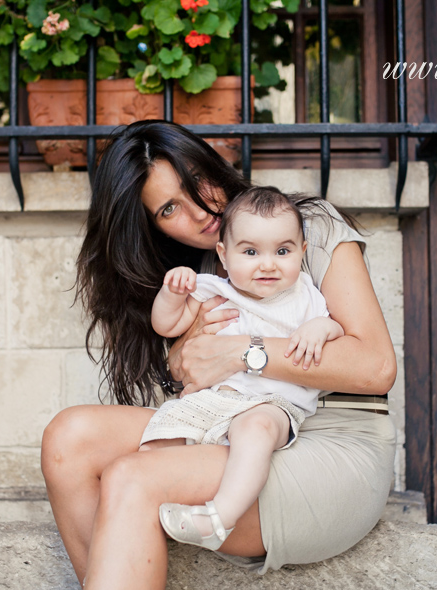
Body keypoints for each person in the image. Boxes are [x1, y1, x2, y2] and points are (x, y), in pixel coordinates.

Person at [40, 120, 397, 590]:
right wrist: (190, 354)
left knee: (133, 476)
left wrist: (243, 354)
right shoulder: (205, 272)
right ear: (153, 226)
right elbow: (194, 374)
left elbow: (374, 366)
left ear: (209, 165)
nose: (196, 214)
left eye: (192, 186)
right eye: (168, 210)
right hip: (236, 426)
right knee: (68, 437)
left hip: (333, 445)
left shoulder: (307, 227)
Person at [140, 186, 345, 551]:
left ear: (302, 252)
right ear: (224, 254)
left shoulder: (305, 294)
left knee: (256, 428)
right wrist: (172, 293)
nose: (267, 264)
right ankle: (149, 504)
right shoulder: (213, 289)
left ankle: (219, 518)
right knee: (162, 432)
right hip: (217, 399)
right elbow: (166, 326)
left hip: (275, 403)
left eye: (282, 251)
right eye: (250, 252)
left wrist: (320, 328)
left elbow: (335, 328)